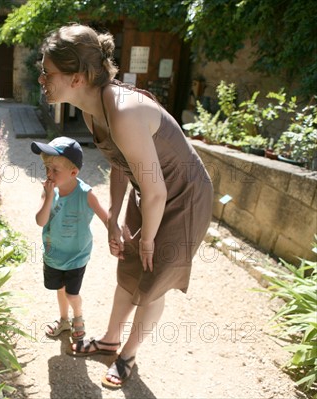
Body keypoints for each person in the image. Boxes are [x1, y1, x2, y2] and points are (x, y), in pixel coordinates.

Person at [38, 24, 214, 389]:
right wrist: (114, 219)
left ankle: (128, 354)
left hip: (182, 197)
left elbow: (158, 193)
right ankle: (109, 340)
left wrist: (147, 238)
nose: (41, 78)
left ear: (78, 76)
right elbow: (121, 164)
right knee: (128, 270)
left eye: (47, 71)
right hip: (149, 190)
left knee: (152, 282)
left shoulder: (124, 110)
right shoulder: (92, 110)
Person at [32, 136, 108, 341]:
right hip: (53, 255)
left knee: (72, 294)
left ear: (74, 172)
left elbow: (106, 218)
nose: (49, 174)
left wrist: (117, 237)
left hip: (76, 256)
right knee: (60, 289)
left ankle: (78, 317)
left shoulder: (86, 194)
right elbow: (40, 220)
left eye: (55, 170)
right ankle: (64, 320)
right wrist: (48, 197)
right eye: (47, 168)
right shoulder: (48, 191)